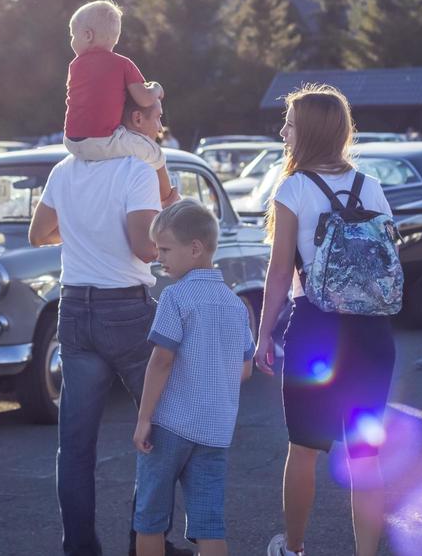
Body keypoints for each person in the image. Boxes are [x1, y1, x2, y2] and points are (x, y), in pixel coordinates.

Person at [29, 95, 190, 556]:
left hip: (74, 309)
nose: (162, 123)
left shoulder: (64, 169)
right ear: (135, 120)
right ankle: (146, 544)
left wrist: (84, 231)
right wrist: (171, 217)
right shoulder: (137, 170)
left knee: (75, 446)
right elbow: (144, 247)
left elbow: (38, 233)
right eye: (157, 115)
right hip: (126, 312)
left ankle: (80, 548)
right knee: (162, 426)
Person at [255, 85, 396, 556]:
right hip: (372, 331)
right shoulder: (370, 185)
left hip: (317, 328)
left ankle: (293, 549)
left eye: (290, 124)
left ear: (309, 132)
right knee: (365, 457)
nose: (284, 132)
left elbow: (279, 274)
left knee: (305, 448)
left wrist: (262, 337)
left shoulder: (293, 188)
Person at [132, 200, 254, 556]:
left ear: (195, 249)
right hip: (215, 430)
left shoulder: (175, 297)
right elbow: (243, 370)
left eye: (166, 249)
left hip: (169, 425)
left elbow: (161, 362)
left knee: (150, 518)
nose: (159, 258)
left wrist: (143, 419)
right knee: (208, 524)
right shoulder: (236, 305)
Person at [64, 0, 177, 206]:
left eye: (72, 35)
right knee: (156, 153)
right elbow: (143, 98)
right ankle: (168, 198)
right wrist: (157, 88)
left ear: (88, 35)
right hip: (102, 141)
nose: (71, 41)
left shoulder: (74, 66)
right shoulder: (123, 64)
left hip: (71, 141)